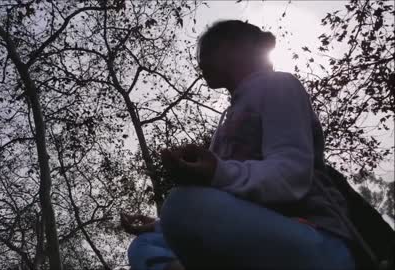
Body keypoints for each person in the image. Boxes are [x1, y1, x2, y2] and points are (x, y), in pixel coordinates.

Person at [121, 20, 358, 270]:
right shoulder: (228, 119)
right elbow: (225, 197)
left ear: (236, 47)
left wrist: (216, 172)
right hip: (257, 236)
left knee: (182, 206)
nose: (200, 63)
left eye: (207, 51)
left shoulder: (278, 84)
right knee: (144, 244)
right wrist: (161, 225)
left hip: (315, 239)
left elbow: (291, 175)